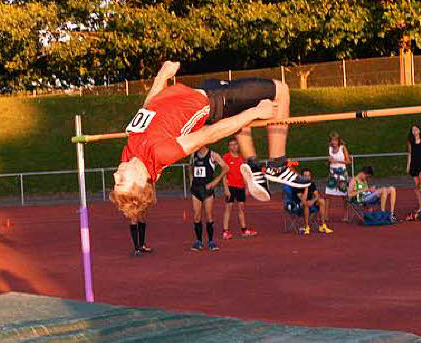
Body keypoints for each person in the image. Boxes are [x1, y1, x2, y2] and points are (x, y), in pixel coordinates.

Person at [111, 61, 307, 222]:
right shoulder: (161, 153)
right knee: (280, 91)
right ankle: (278, 165)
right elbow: (209, 135)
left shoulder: (128, 155)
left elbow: (149, 108)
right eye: (121, 181)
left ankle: (254, 167)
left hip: (202, 91)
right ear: (139, 181)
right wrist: (254, 113)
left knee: (240, 113)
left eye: (115, 181)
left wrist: (161, 76)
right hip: (217, 102)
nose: (115, 175)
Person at [189, 145, 229, 251]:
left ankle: (211, 241)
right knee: (196, 216)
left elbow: (226, 167)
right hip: (196, 189)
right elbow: (190, 168)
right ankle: (198, 241)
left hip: (207, 189)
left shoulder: (213, 155)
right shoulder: (193, 155)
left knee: (208, 215)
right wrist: (191, 181)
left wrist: (216, 181)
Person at [222, 138, 257, 241]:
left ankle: (244, 230)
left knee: (241, 208)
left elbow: (245, 174)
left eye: (235, 144)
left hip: (241, 186)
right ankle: (225, 231)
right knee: (229, 207)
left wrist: (247, 187)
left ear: (238, 145)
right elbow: (223, 175)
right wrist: (226, 189)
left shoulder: (242, 158)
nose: (234, 147)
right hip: (230, 186)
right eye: (231, 145)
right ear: (229, 147)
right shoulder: (226, 157)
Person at [299, 168, 333, 235]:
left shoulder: (312, 183)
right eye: (305, 176)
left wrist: (312, 201)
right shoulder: (298, 185)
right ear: (302, 176)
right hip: (300, 203)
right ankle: (307, 226)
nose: (307, 177)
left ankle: (322, 225)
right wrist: (306, 187)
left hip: (310, 202)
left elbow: (317, 195)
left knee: (322, 201)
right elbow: (302, 199)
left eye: (308, 176)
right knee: (306, 204)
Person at [405, 124, 421, 211]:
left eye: (416, 129)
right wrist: (408, 166)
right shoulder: (410, 140)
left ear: (419, 130)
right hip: (414, 165)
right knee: (417, 186)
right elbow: (410, 153)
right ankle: (420, 206)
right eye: (413, 130)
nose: (414, 131)